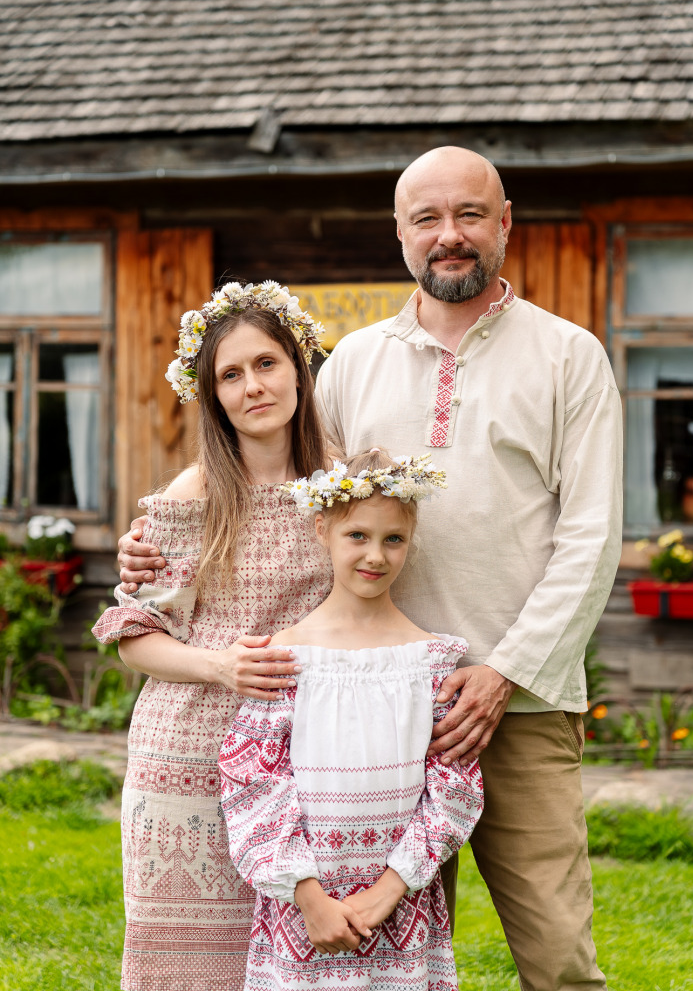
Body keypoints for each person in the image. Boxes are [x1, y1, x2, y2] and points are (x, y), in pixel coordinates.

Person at [119, 146, 623, 991]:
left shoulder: (567, 356)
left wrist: (502, 671)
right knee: (387, 957)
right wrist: (160, 538)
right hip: (367, 707)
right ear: (400, 234)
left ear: (504, 223)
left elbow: (592, 535)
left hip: (517, 698)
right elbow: (285, 483)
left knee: (557, 954)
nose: (448, 234)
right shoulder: (354, 361)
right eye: (427, 218)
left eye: (469, 214)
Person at [92, 281, 334, 991]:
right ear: (213, 396)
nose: (252, 386)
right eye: (230, 375)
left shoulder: (341, 487)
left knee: (302, 962)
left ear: (298, 369)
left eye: (266, 364)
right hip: (188, 756)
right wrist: (219, 666)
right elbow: (136, 636)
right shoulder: (192, 496)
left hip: (304, 756)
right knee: (190, 969)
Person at [218, 449, 485, 991]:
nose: (376, 556)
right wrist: (308, 897)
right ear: (322, 529)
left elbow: (454, 787)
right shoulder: (284, 659)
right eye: (357, 535)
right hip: (306, 910)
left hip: (399, 908)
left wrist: (390, 888)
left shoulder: (431, 662)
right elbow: (252, 783)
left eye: (394, 539)